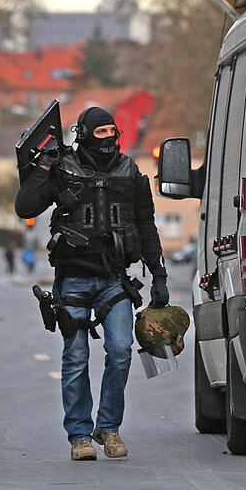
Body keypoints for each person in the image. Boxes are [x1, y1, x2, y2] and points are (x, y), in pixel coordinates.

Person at [15, 106, 169, 461]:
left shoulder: (131, 173)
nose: (109, 139)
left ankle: (109, 428)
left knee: (120, 352)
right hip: (73, 281)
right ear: (83, 134)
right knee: (76, 356)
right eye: (100, 133)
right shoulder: (61, 170)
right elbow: (25, 208)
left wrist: (159, 275)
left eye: (112, 131)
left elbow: (146, 227)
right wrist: (43, 166)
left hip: (115, 280)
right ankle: (80, 436)